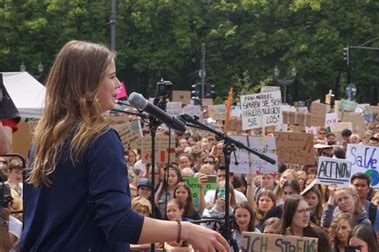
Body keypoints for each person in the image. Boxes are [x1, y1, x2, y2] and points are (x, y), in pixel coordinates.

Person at [20, 40, 229, 251]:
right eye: (111, 77)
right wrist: (187, 230)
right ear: (88, 85)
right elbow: (118, 223)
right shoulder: (100, 140)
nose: (119, 84)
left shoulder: (43, 141)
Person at [350, 172, 379, 246]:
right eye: (356, 185)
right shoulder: (341, 208)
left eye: (363, 185)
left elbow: (376, 241)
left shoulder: (376, 212)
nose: (359, 188)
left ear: (368, 189)